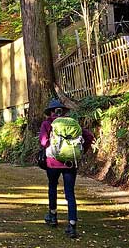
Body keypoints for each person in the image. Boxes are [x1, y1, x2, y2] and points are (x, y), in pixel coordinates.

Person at [39, 99, 95, 239]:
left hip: (53, 163)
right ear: (63, 111)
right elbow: (89, 136)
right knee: (70, 193)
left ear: (51, 112)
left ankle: (52, 216)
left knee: (52, 186)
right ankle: (72, 224)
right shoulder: (72, 123)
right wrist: (81, 151)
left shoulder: (47, 124)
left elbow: (44, 142)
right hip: (71, 163)